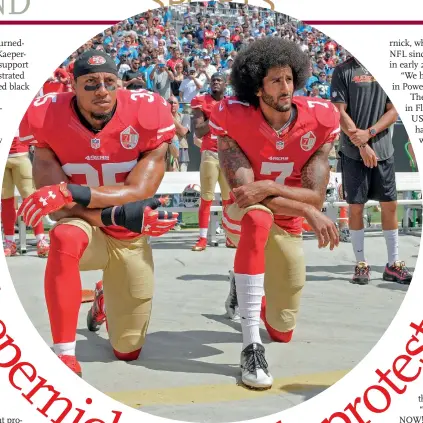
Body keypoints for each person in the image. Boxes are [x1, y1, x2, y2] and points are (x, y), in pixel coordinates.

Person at [17, 50, 178, 377]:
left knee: (127, 351)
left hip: (129, 237)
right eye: (90, 84)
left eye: (108, 81)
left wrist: (72, 190)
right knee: (63, 235)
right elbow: (60, 208)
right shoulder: (47, 116)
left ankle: (104, 299)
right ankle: (64, 354)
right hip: (87, 225)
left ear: (118, 84)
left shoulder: (146, 113)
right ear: (73, 87)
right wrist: (107, 216)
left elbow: (138, 192)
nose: (101, 90)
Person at [209, 38, 340, 389]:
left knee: (282, 331)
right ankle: (250, 344)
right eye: (276, 80)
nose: (286, 87)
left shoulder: (320, 118)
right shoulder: (232, 116)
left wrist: (273, 189)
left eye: (289, 78)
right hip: (245, 216)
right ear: (256, 86)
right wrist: (303, 207)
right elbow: (245, 194)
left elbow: (313, 196)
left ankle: (243, 284)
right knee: (255, 216)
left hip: (288, 222)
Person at [331, 57, 413, 285]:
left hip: (383, 151)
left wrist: (370, 133)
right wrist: (362, 144)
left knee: (390, 205)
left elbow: (394, 111)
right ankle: (361, 264)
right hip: (353, 152)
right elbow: (339, 112)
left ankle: (393, 265)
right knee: (356, 208)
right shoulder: (343, 71)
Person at [190, 72, 233, 251]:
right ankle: (202, 239)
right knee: (206, 197)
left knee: (228, 198)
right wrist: (217, 115)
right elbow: (199, 131)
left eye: (219, 80)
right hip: (210, 153)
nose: (216, 82)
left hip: (229, 154)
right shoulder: (202, 101)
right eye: (213, 80)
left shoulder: (231, 103)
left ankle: (230, 236)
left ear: (225, 84)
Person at [2, 133, 50, 257]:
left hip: (20, 154)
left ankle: (41, 240)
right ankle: (9, 242)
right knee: (6, 200)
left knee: (30, 199)